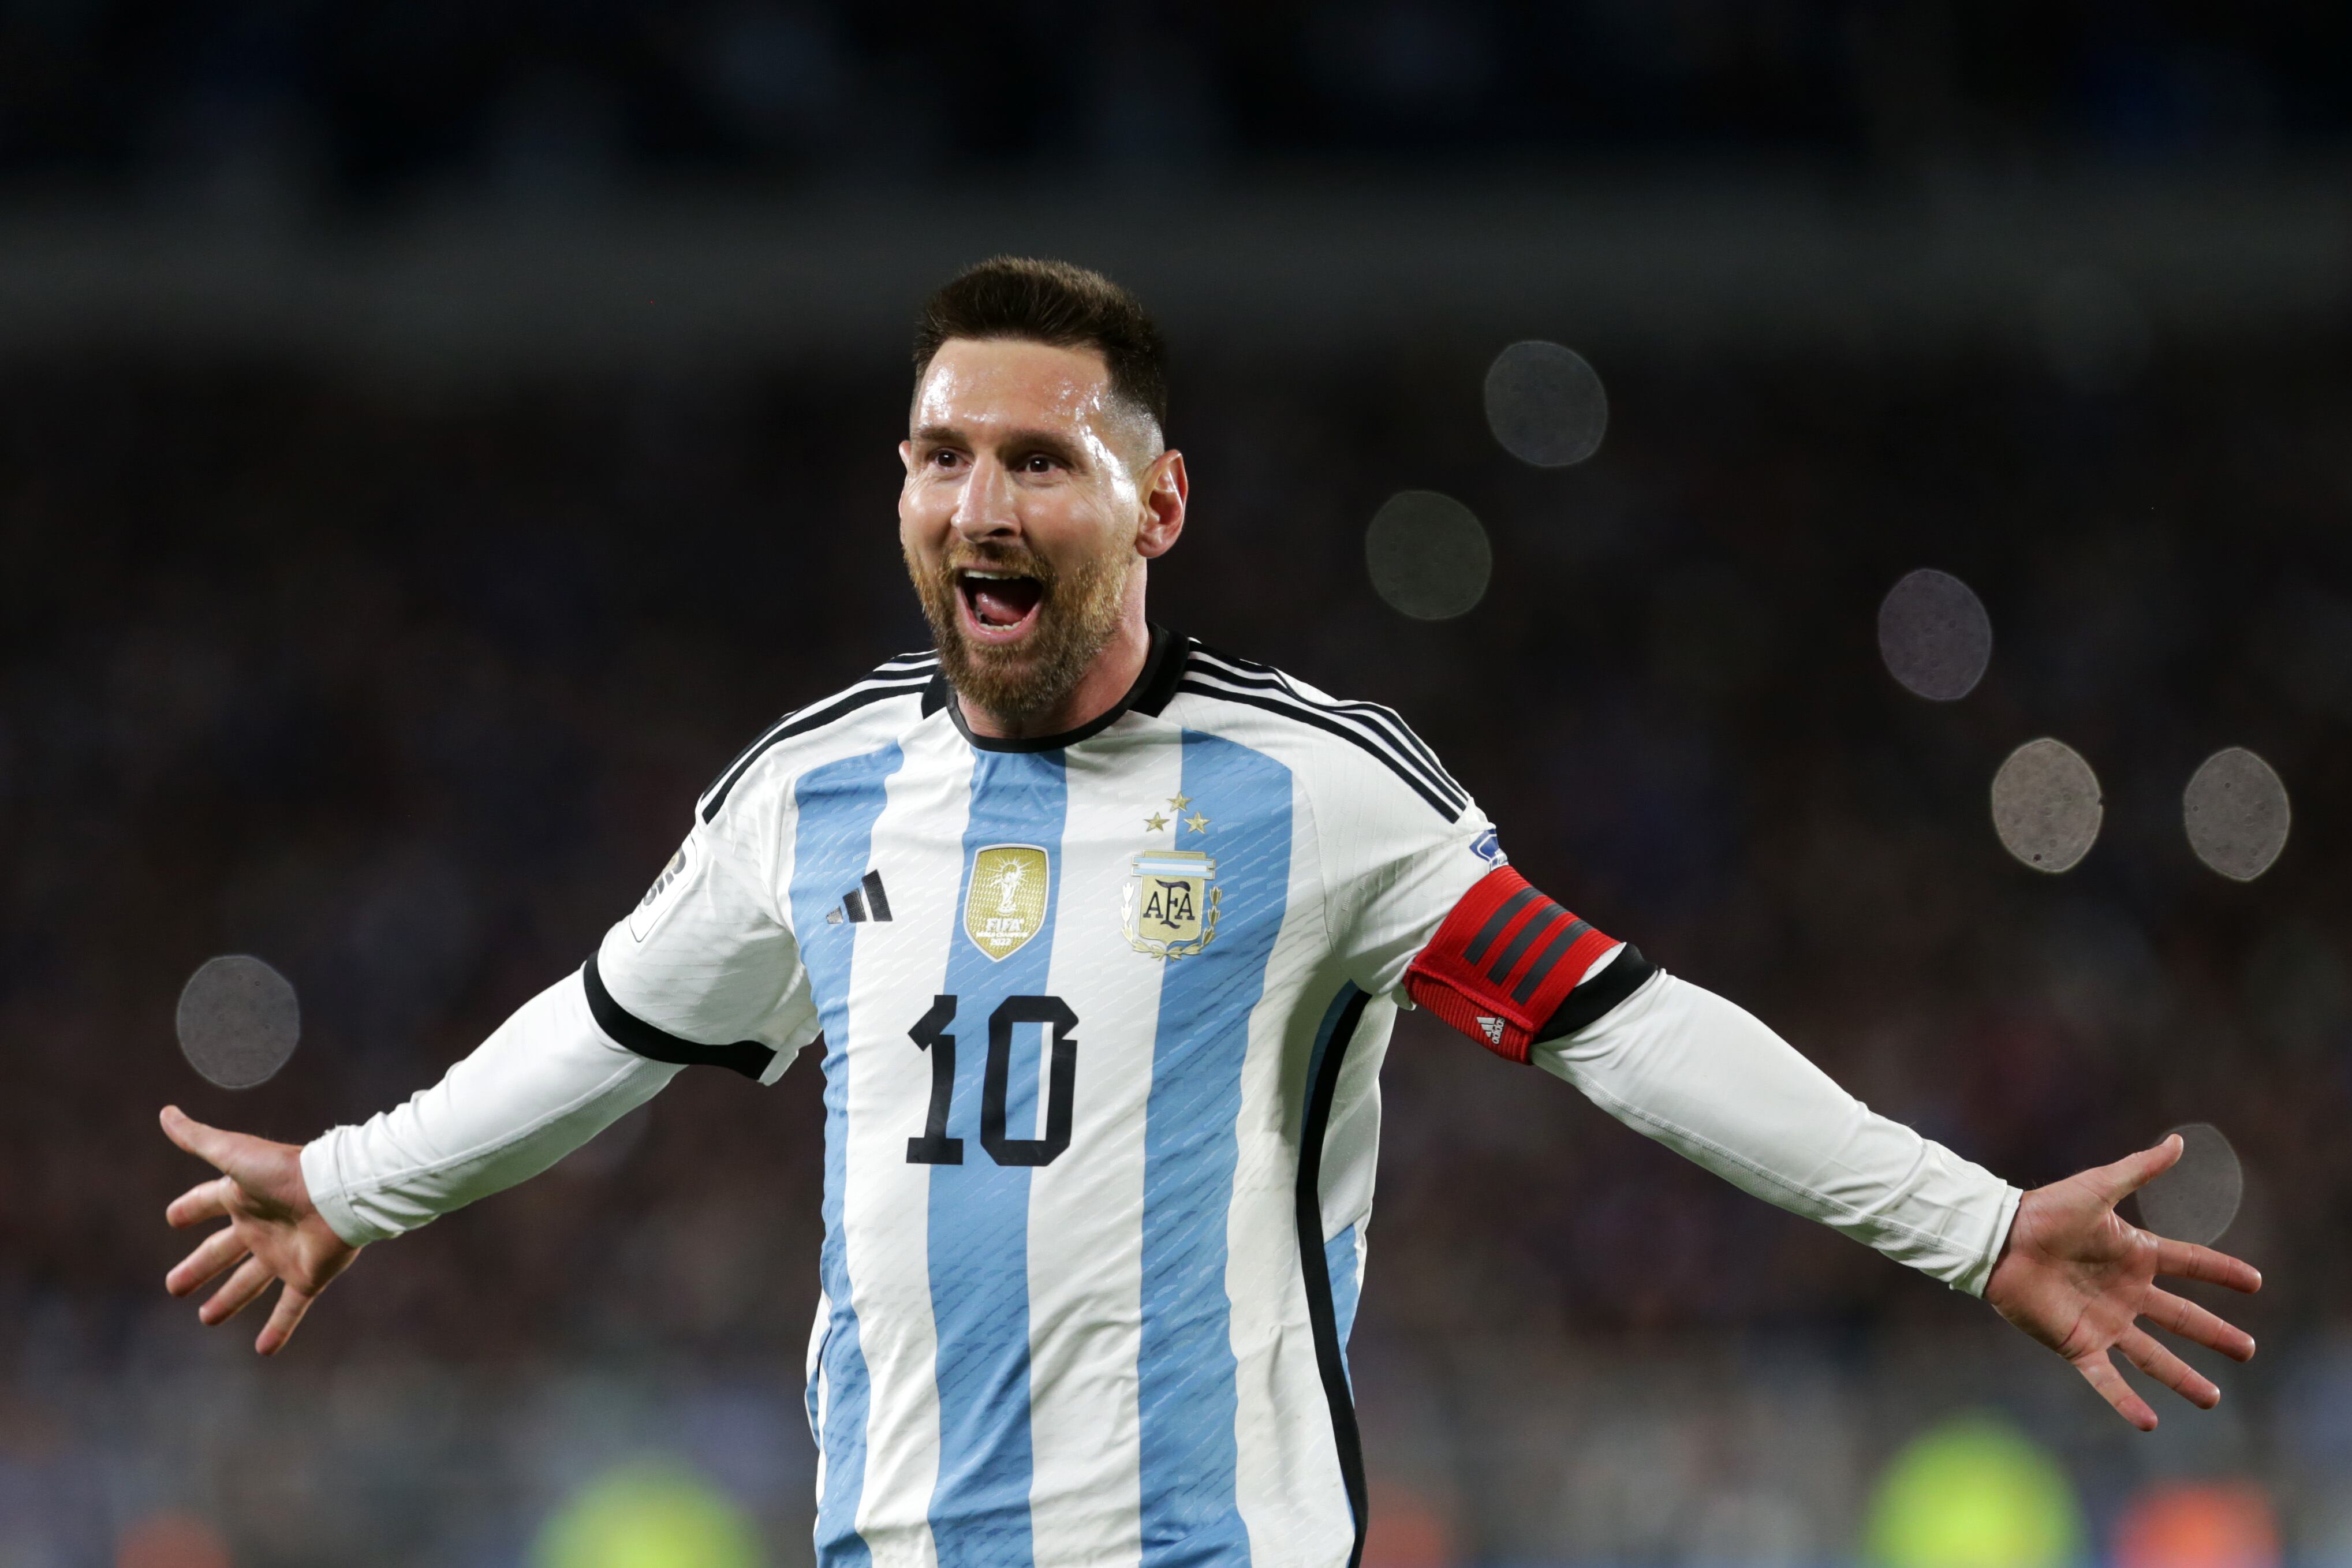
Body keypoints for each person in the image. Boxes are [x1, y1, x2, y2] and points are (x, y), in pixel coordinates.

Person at [160, 257, 2260, 1568]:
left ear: (1152, 504)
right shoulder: (814, 795)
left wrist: (1967, 1221)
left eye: (1037, 462)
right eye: (936, 456)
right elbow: (602, 1027)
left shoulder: (1313, 795)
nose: (978, 503)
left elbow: (1623, 1020)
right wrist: (358, 1181)